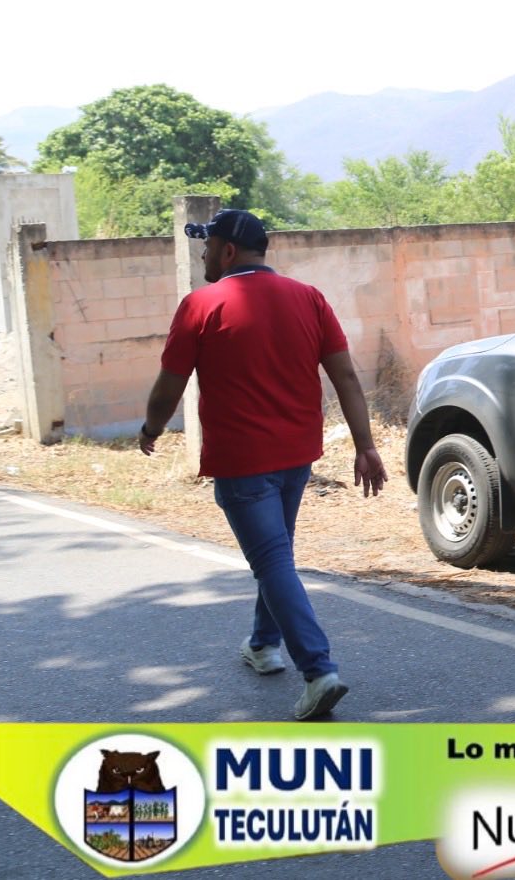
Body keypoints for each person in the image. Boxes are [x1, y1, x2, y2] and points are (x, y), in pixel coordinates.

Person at [137, 208, 389, 717]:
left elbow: (170, 383)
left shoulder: (200, 304)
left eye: (207, 246)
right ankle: (263, 644)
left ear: (228, 251)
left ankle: (319, 671)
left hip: (242, 462)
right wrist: (365, 445)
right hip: (297, 457)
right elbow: (345, 376)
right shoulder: (309, 298)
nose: (203, 255)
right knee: (275, 554)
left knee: (272, 559)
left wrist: (150, 429)